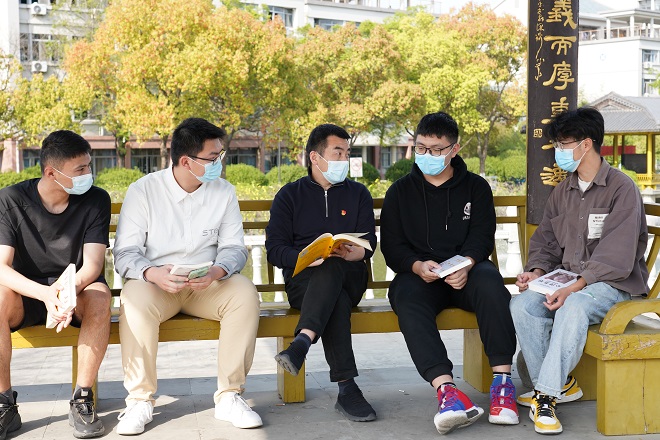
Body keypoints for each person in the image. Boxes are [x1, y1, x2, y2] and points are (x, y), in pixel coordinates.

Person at [113, 118, 262, 435]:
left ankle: (229, 396)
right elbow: (125, 253)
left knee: (244, 293)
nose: (219, 163)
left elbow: (235, 248)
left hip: (206, 284)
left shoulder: (224, 192)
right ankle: (139, 401)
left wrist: (217, 271)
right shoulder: (144, 191)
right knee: (133, 297)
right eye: (213, 157)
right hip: (157, 286)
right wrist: (152, 273)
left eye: (220, 155)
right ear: (185, 161)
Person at [510, 107, 649, 435]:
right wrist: (536, 271)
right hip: (569, 281)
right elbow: (546, 241)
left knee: (573, 305)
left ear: (586, 144)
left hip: (613, 285)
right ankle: (557, 386)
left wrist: (575, 287)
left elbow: (617, 256)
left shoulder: (622, 188)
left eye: (563, 144)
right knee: (522, 304)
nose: (558, 151)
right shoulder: (563, 191)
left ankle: (546, 396)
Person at [380, 112, 518, 435]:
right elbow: (392, 246)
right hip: (422, 277)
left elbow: (482, 236)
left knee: (491, 283)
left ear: (454, 149)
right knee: (404, 294)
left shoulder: (476, 188)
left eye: (436, 149)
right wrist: (417, 266)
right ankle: (446, 391)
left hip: (467, 273)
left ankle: (502, 384)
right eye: (421, 148)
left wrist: (466, 263)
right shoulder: (399, 192)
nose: (427, 155)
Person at [0, 130, 111, 439]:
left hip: (78, 289)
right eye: (80, 168)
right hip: (27, 293)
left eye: (89, 166)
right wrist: (46, 295)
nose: (88, 174)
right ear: (51, 173)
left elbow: (93, 265)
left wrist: (64, 293)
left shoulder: (96, 199)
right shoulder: (10, 200)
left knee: (101, 297)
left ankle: (82, 400)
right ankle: (4, 405)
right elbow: (1, 268)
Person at [265, 124, 378, 422]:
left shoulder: (358, 194)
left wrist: (357, 252)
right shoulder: (290, 196)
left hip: (351, 276)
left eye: (347, 153)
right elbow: (274, 250)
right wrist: (305, 257)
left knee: (335, 268)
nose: (344, 159)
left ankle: (302, 342)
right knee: (334, 297)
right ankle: (347, 389)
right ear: (315, 157)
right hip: (303, 283)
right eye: (337, 153)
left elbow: (370, 242)